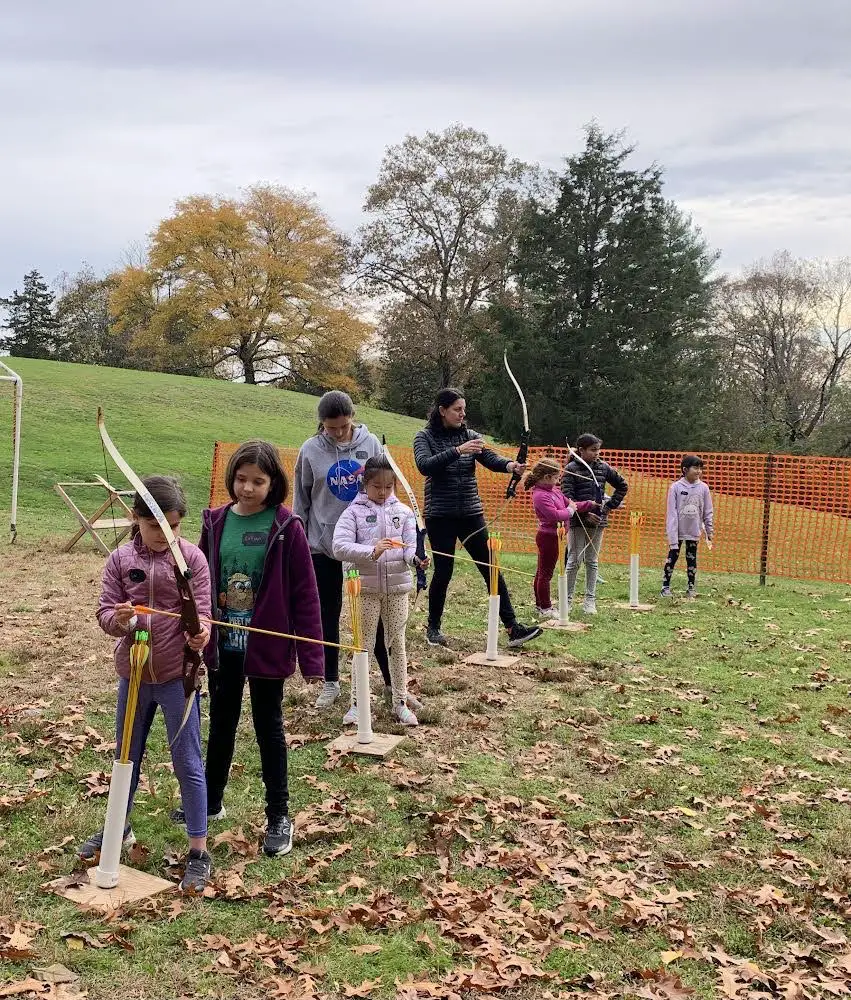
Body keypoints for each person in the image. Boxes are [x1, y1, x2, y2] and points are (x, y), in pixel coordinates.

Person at [187, 440, 324, 858]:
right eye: (241, 479)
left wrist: (313, 657)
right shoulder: (214, 522)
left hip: (266, 646)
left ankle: (279, 815)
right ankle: (210, 800)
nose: (247, 488)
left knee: (269, 728)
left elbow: (306, 594)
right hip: (222, 645)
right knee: (222, 722)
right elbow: (196, 583)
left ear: (273, 483)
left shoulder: (287, 526)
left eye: (258, 481)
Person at [81, 476, 213, 892]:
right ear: (135, 518)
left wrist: (201, 633)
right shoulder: (120, 560)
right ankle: (118, 828)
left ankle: (198, 850)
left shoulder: (191, 559)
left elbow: (204, 613)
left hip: (177, 677)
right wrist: (119, 620)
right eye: (156, 527)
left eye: (173, 527)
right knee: (126, 758)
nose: (165, 536)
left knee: (188, 763)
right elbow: (105, 614)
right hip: (134, 675)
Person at [413, 388, 542, 648]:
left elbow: (490, 458)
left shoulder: (471, 436)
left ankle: (513, 627)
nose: (463, 414)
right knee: (444, 571)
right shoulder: (424, 437)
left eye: (464, 409)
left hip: (471, 513)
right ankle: (434, 627)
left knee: (491, 568)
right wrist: (458, 451)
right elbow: (424, 465)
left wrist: (510, 466)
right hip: (440, 515)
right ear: (442, 411)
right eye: (457, 409)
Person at [293, 391, 395, 710]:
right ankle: (331, 681)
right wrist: (301, 542)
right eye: (330, 428)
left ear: (353, 417)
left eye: (343, 426)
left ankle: (393, 681)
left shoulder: (370, 445)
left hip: (364, 546)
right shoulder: (310, 451)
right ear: (321, 424)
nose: (338, 433)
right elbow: (302, 499)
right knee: (327, 612)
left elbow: (385, 488)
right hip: (323, 546)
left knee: (373, 614)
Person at [332, 456, 429, 726]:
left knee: (397, 643)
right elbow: (339, 546)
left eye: (388, 486)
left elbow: (409, 547)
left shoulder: (404, 512)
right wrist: (371, 552)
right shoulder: (353, 512)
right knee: (362, 646)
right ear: (365, 484)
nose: (383, 492)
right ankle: (356, 704)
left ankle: (400, 700)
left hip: (396, 588)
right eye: (377, 486)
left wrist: (417, 558)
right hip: (364, 588)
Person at [561, 434, 628, 615]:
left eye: (598, 450)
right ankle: (566, 600)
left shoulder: (603, 467)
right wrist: (584, 514)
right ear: (581, 451)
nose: (596, 453)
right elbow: (566, 498)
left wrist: (608, 507)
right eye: (592, 450)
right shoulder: (570, 469)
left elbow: (622, 485)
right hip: (577, 522)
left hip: (598, 521)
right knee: (574, 560)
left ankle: (590, 601)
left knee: (592, 560)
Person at [525, 457, 600, 618]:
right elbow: (554, 515)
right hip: (548, 537)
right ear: (547, 477)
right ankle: (545, 608)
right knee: (545, 573)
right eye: (556, 477)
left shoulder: (554, 491)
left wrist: (591, 503)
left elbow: (572, 504)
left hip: (556, 537)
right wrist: (570, 511)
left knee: (543, 572)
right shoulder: (540, 495)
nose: (559, 480)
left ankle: (541, 605)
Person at [662, 454, 714, 599]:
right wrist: (672, 536)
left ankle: (691, 587)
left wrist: (709, 530)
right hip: (678, 531)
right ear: (685, 469)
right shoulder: (675, 488)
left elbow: (708, 511)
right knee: (672, 557)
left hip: (694, 531)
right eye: (695, 468)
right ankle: (665, 586)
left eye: (700, 468)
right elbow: (671, 513)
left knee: (692, 558)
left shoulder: (704, 488)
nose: (698, 471)